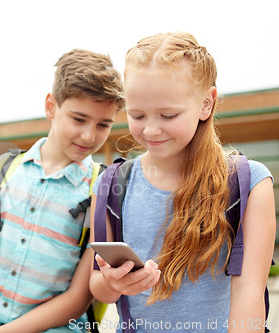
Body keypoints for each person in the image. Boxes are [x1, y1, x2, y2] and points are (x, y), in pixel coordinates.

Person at [0, 49, 125, 333]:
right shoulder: (1, 169)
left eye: (103, 124)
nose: (89, 136)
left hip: (53, 326)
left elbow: (78, 300)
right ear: (51, 106)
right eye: (79, 119)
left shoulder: (102, 189)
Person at [89, 32, 276, 332]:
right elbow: (98, 287)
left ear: (206, 104)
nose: (150, 130)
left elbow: (249, 295)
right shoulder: (111, 185)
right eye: (136, 115)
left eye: (168, 114)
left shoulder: (249, 183)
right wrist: (113, 282)